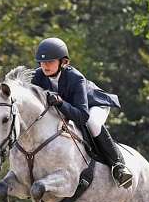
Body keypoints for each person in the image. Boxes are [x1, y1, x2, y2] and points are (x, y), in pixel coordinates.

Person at [31, 37, 133, 188]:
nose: (45, 66)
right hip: (69, 107)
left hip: (93, 104)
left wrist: (60, 103)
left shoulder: (75, 78)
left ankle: (118, 166)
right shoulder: (38, 76)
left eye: (50, 62)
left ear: (63, 62)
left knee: (92, 123)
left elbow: (82, 116)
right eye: (42, 62)